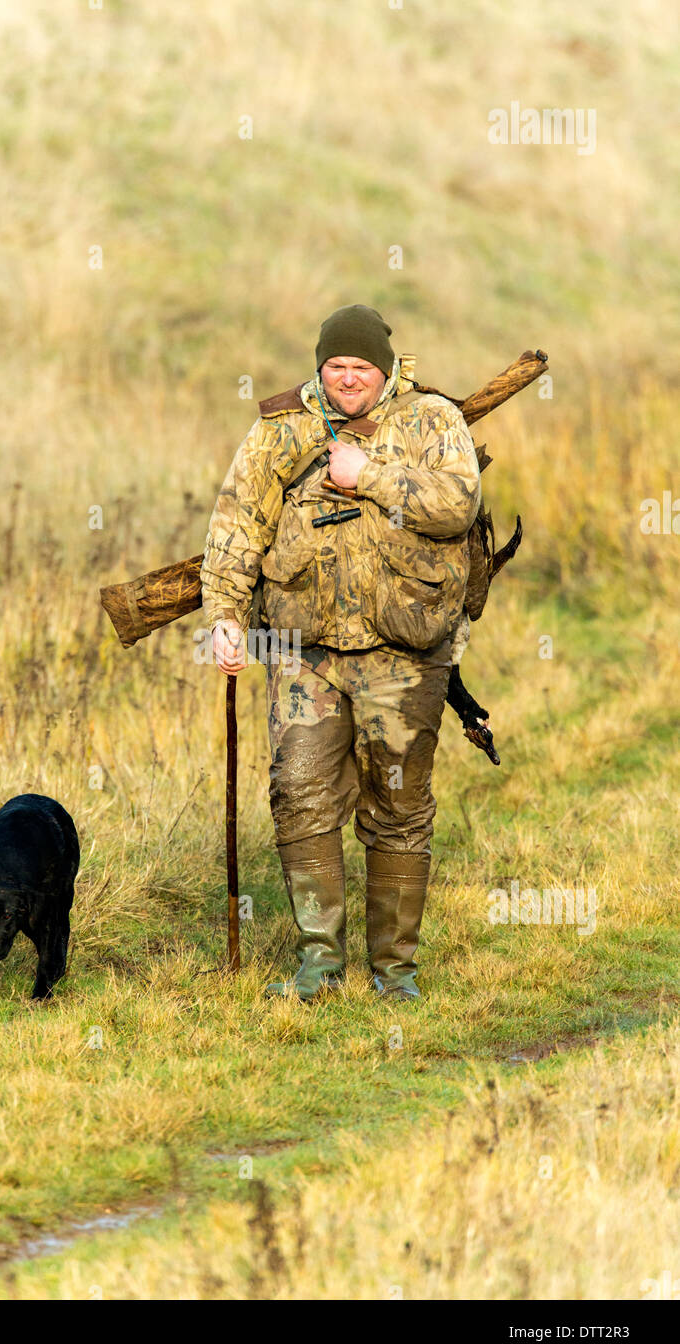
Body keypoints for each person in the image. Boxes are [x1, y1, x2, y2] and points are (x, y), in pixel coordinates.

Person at [200, 304, 481, 1001]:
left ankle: (395, 975)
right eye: (335, 367)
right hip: (305, 652)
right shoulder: (279, 428)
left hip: (404, 650)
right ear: (319, 366)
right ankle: (319, 967)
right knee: (299, 794)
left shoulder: (432, 420)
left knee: (398, 803)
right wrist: (225, 618)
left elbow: (458, 504)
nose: (347, 379)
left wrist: (372, 475)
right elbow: (237, 523)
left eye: (360, 368)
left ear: (383, 369)